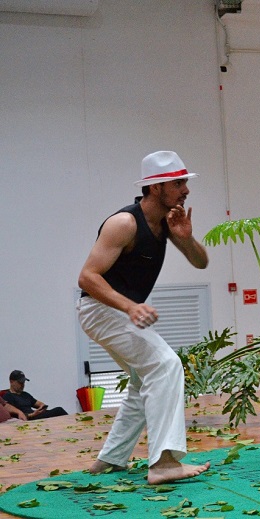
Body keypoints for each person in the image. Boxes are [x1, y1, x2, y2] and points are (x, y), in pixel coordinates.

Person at [77, 150, 211, 484]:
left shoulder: (167, 222)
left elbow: (201, 263)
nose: (185, 189)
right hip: (101, 308)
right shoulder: (124, 223)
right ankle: (164, 463)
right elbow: (87, 278)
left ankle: (110, 460)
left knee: (143, 379)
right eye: (177, 183)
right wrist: (130, 306)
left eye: (184, 181)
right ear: (154, 187)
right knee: (166, 365)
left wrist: (186, 237)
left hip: (114, 312)